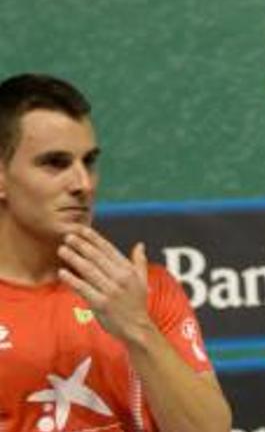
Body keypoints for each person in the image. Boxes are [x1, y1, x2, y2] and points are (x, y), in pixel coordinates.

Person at [0, 73, 232, 432]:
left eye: (88, 162)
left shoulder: (143, 290)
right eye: (55, 163)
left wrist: (136, 328)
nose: (82, 184)